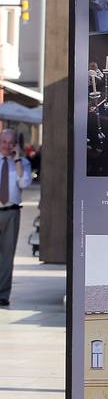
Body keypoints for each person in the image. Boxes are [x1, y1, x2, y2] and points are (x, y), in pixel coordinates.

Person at [0, 128, 33, 307]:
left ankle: (3, 294)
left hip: (12, 212)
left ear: (16, 145)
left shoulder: (23, 163)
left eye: (11, 143)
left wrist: (18, 159)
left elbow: (24, 182)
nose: (7, 146)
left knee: (7, 256)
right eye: (4, 142)